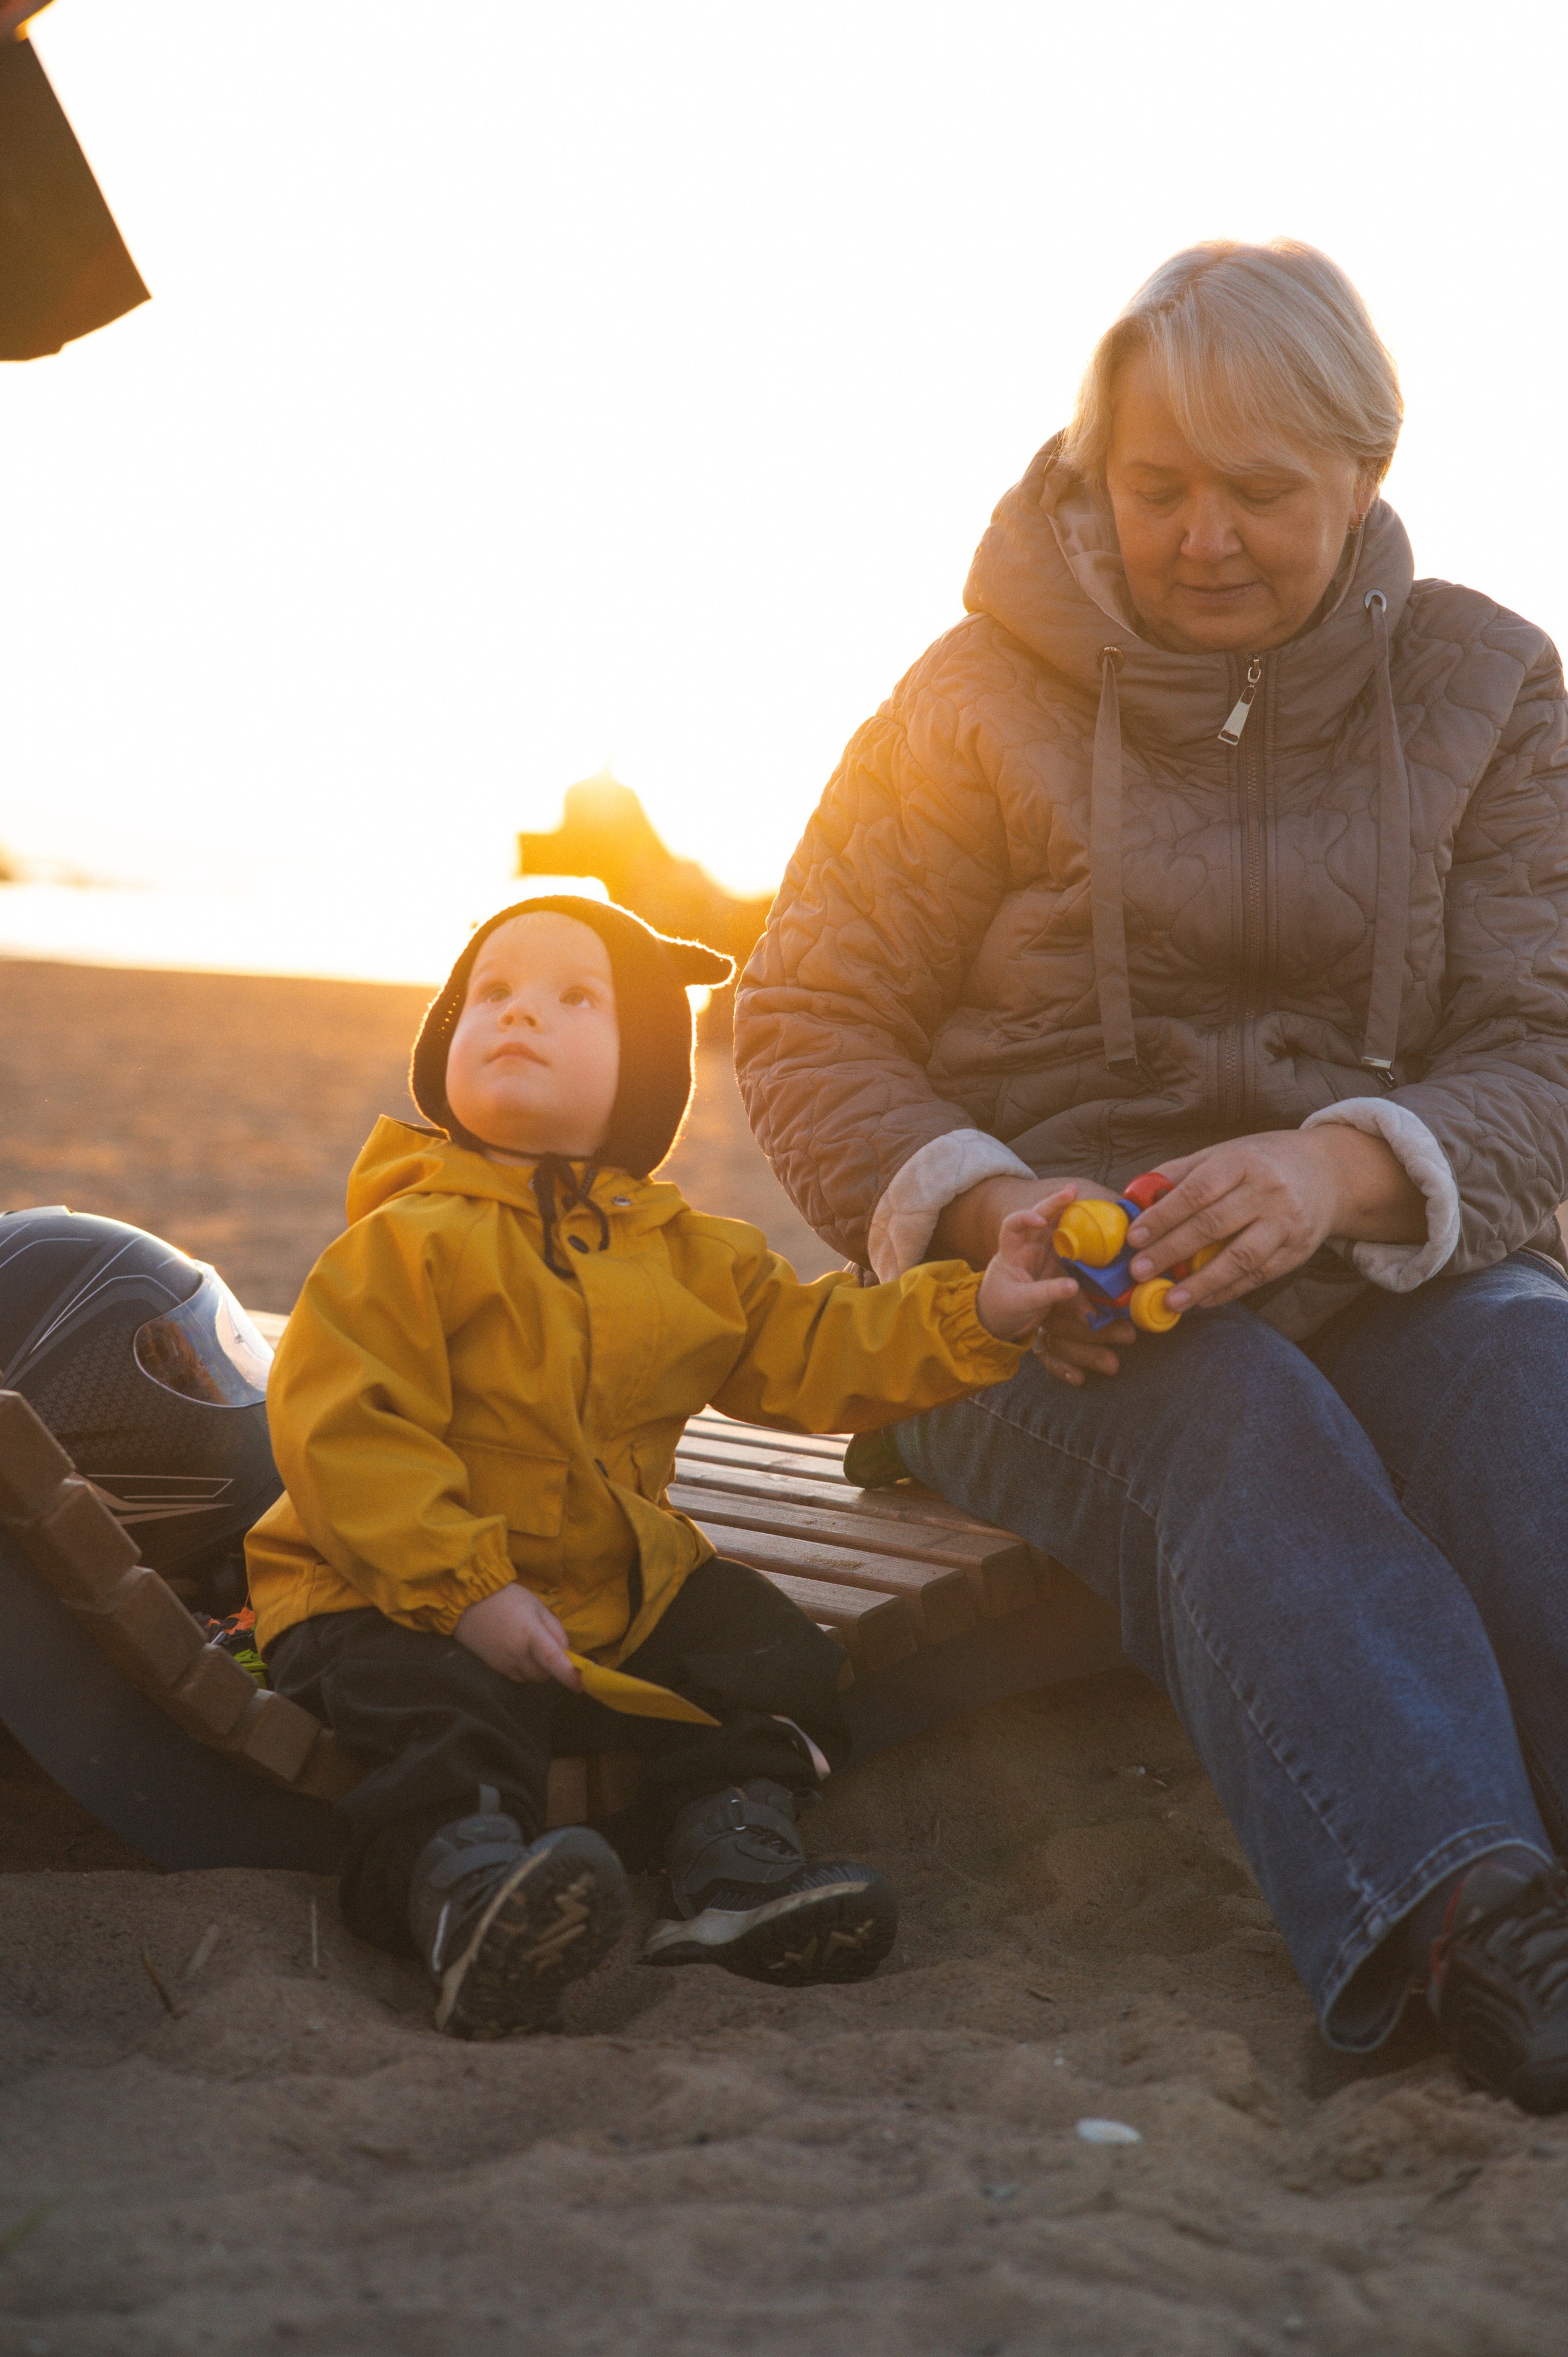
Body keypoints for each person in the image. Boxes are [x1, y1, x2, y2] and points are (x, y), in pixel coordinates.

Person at [735, 239, 1568, 2114]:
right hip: (1046, 1311)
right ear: (1092, 472)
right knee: (1237, 1409)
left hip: (1390, 1262)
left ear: (1364, 472)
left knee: (1534, 1376)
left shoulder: (1494, 691)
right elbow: (803, 1025)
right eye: (1158, 487)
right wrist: (979, 1212)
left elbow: (1548, 1047)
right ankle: (1472, 1923)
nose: (1203, 537)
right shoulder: (971, 697)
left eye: (1262, 492)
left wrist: (1344, 1165)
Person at [246, 896, 1077, 2040]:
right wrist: (464, 1590)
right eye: (492, 994)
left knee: (763, 1648)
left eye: (573, 998)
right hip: (384, 1582)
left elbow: (816, 1347)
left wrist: (979, 1306)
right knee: (438, 1703)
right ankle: (463, 1894)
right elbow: (343, 1432)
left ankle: (730, 1867)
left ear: (644, 1073)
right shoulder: (405, 1241)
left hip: (604, 1584)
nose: (520, 1014)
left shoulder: (687, 1254)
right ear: (445, 1043)